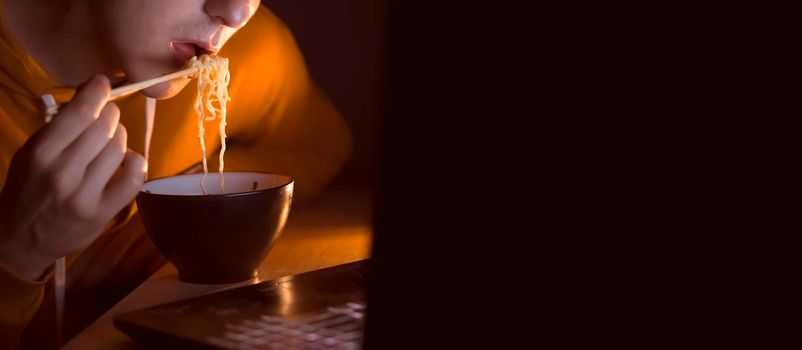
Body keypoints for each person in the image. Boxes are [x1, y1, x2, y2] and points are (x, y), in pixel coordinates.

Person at [0, 0, 352, 347]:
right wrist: (20, 253)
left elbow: (320, 147)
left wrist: (173, 208)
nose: (237, 14)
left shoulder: (243, 50)